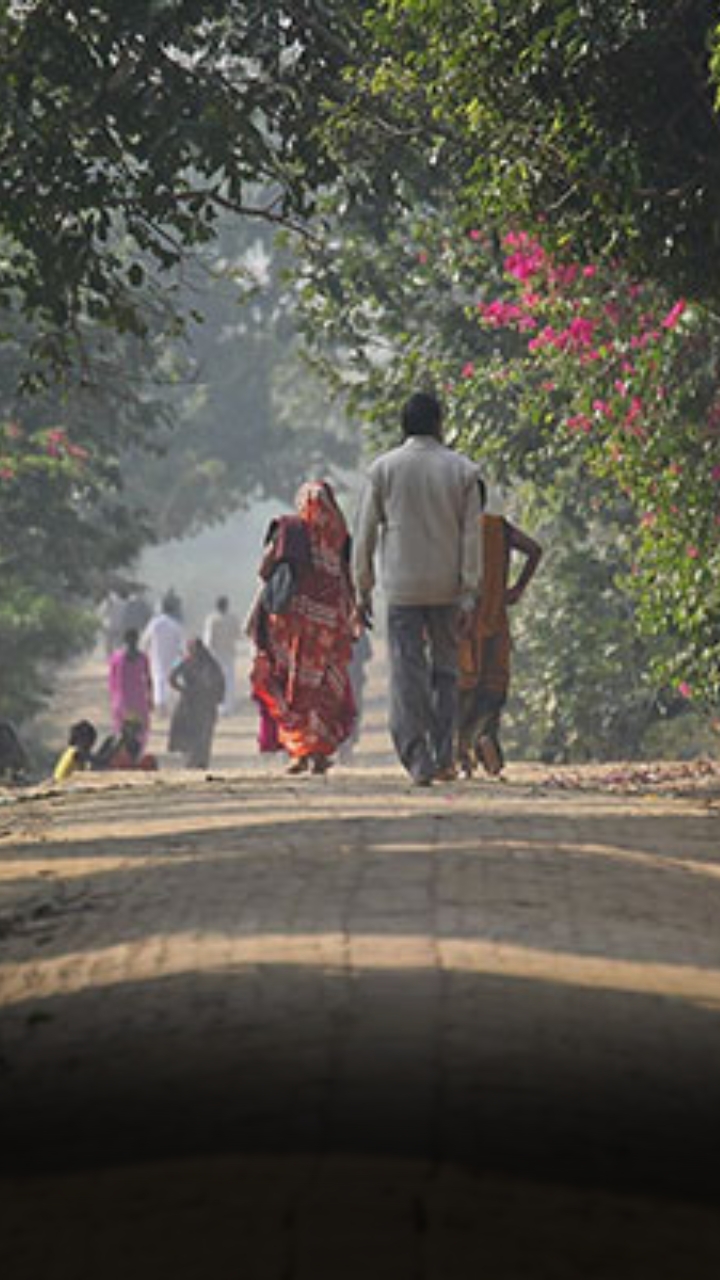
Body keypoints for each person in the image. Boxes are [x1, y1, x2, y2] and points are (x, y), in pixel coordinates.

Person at [353, 391, 482, 786]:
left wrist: (362, 589)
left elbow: (364, 536)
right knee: (446, 671)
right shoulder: (463, 471)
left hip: (402, 588)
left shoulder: (383, 469)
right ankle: (444, 755)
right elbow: (471, 537)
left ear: (404, 426)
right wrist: (469, 593)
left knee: (407, 672)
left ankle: (417, 757)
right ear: (440, 424)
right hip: (447, 587)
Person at [249, 480, 357, 775]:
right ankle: (319, 753)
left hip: (292, 627)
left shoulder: (290, 529)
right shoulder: (341, 535)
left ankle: (299, 751)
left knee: (294, 686)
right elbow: (348, 580)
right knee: (323, 689)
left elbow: (265, 568)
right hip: (329, 627)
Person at [457, 484, 543, 777]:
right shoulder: (498, 527)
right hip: (496, 618)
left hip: (464, 622)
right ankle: (485, 739)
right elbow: (534, 549)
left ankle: (463, 750)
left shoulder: (455, 531)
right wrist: (517, 588)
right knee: (493, 687)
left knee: (463, 688)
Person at [168, 638, 226, 768]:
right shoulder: (210, 663)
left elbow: (172, 678)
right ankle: (196, 761)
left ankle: (196, 761)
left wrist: (184, 690)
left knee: (198, 734)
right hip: (198, 704)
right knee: (200, 734)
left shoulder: (192, 661)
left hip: (195, 703)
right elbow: (220, 683)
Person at [108, 628, 153, 750]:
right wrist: (150, 697)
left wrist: (113, 698)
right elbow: (148, 679)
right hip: (136, 699)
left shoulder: (117, 657)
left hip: (124, 699)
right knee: (139, 727)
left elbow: (111, 680)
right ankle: (134, 751)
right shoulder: (142, 658)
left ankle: (125, 751)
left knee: (123, 726)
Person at [141, 592, 185, 716]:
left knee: (158, 679)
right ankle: (168, 706)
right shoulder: (175, 624)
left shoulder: (154, 623)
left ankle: (160, 706)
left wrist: (144, 652)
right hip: (172, 656)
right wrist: (182, 655)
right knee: (170, 680)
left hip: (156, 655)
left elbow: (145, 640)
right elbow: (181, 643)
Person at [203, 595, 241, 715]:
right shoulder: (233, 618)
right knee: (229, 680)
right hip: (229, 652)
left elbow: (208, 640)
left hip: (216, 654)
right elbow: (238, 635)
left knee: (216, 680)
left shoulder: (212, 619)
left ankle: (218, 706)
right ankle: (228, 707)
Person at [94, 717, 159, 772]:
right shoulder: (114, 740)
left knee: (149, 759)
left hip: (125, 767)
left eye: (134, 729)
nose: (132, 732)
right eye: (130, 728)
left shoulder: (135, 744)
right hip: (107, 765)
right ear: (124, 729)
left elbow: (133, 760)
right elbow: (103, 757)